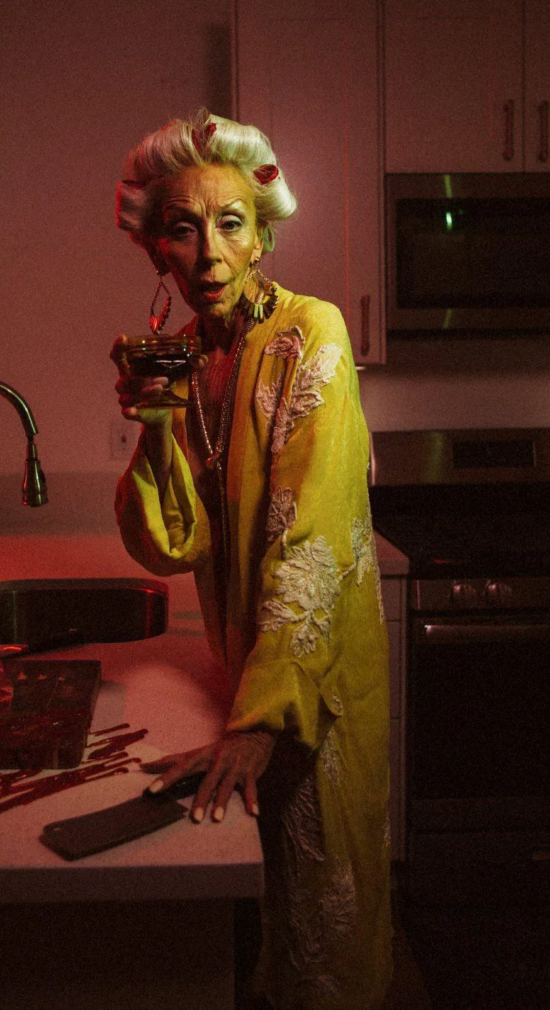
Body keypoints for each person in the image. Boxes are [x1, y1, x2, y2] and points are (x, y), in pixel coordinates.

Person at [111, 109, 392, 1009]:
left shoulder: (315, 334)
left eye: (230, 223)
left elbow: (313, 536)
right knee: (261, 910)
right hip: (246, 675)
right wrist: (156, 426)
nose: (208, 254)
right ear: (156, 250)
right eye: (182, 229)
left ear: (263, 235)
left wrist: (262, 721)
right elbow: (172, 544)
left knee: (324, 927)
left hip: (318, 682)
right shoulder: (192, 356)